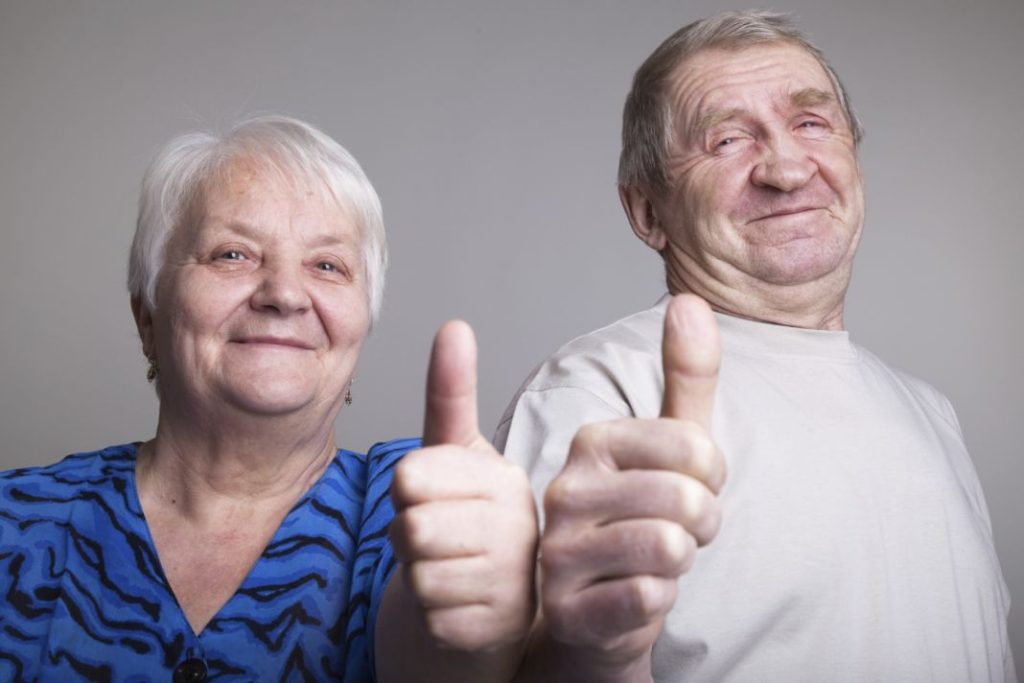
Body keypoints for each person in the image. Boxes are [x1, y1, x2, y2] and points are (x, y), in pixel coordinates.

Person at [497, 11, 1016, 682]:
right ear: (648, 211)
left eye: (810, 123)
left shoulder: (930, 411)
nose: (787, 168)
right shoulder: (598, 391)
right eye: (727, 139)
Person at [0, 115, 538, 682]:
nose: (284, 294)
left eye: (327, 265)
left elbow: (446, 655)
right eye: (232, 254)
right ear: (147, 317)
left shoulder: (415, 506)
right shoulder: (17, 519)